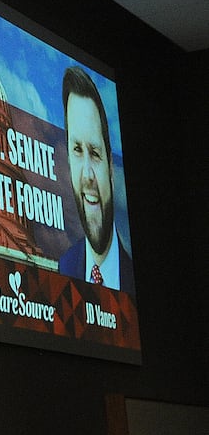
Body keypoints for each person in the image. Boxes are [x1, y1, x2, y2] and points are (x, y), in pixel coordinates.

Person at [58, 65, 135, 293]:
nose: (87, 175)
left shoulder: (134, 279)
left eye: (94, 153)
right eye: (77, 150)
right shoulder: (64, 269)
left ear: (110, 166)